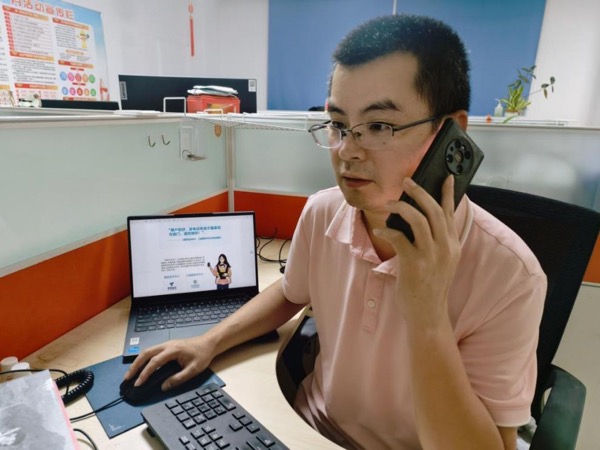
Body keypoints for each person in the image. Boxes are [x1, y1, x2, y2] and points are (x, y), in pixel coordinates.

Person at [124, 14, 546, 450]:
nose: (347, 151)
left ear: (452, 131)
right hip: (308, 428)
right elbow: (290, 293)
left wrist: (428, 316)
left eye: (379, 126)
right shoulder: (324, 211)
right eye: (340, 125)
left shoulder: (511, 275)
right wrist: (208, 342)